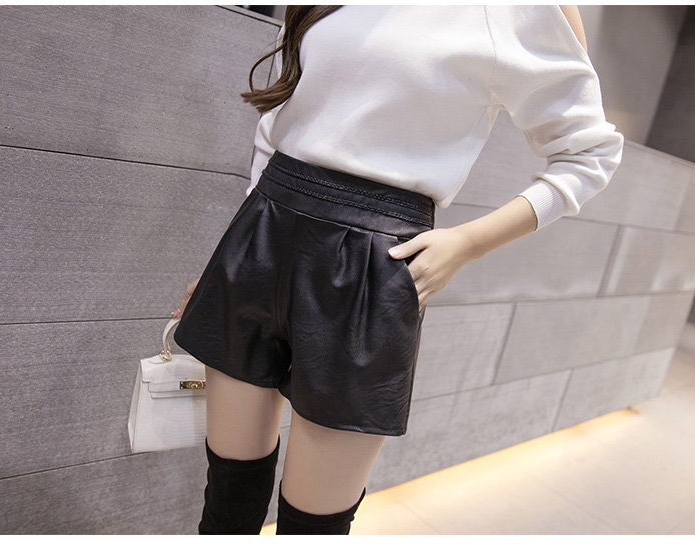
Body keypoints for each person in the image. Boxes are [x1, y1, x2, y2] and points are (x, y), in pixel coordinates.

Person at [171, 5, 624, 535]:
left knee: (311, 529)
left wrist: (467, 243)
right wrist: (233, 255)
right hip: (261, 236)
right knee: (226, 504)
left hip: (371, 266)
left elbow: (590, 153)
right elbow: (275, 127)